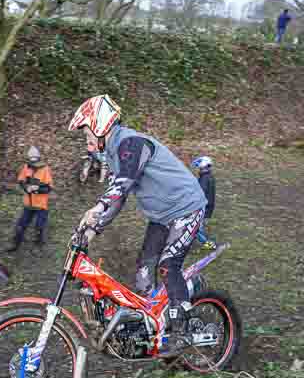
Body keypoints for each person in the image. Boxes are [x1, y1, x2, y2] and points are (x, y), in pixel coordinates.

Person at [69, 95, 208, 352]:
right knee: (144, 270)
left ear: (101, 125)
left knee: (168, 265)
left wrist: (97, 207)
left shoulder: (131, 143)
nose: (86, 139)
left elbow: (124, 183)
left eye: (87, 131)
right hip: (162, 215)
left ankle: (182, 329)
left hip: (186, 207)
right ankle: (153, 324)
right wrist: (92, 230)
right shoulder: (113, 154)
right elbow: (118, 197)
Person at [7, 147, 53, 251]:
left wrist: (38, 189)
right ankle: (15, 245)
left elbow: (49, 188)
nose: (33, 162)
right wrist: (27, 188)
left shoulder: (45, 169)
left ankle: (39, 243)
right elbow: (21, 180)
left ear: (38, 158)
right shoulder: (26, 167)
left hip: (41, 204)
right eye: (31, 159)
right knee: (21, 225)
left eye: (35, 159)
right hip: (28, 204)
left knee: (39, 226)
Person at [191, 156, 217, 250]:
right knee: (197, 225)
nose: (198, 169)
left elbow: (200, 193)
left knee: (196, 227)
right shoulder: (208, 176)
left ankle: (207, 243)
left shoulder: (204, 179)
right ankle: (194, 241)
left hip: (203, 206)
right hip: (207, 206)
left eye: (199, 167)